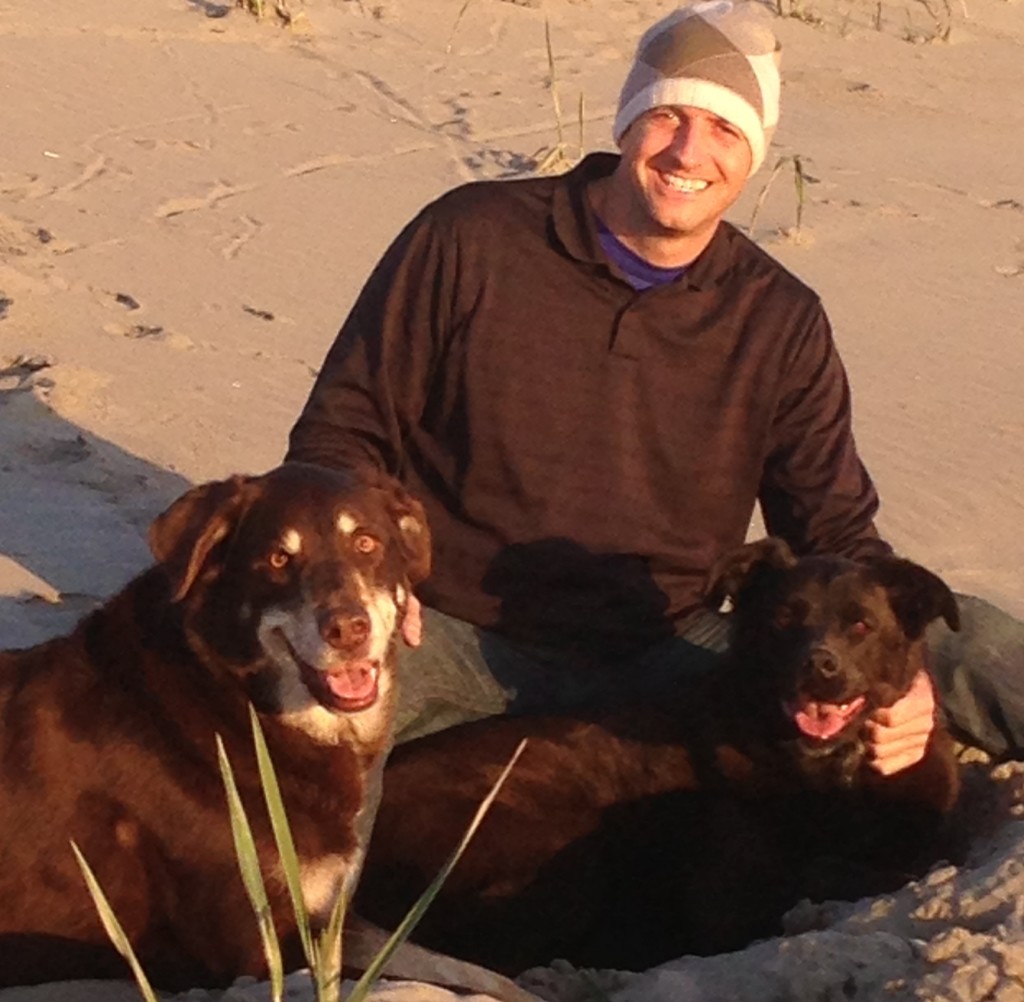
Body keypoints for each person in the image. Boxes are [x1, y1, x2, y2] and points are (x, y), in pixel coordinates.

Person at [286, 0, 1024, 768]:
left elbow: (833, 531)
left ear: (754, 156)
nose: (689, 152)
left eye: (726, 130)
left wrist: (903, 680)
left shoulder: (779, 319)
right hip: (448, 627)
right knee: (297, 702)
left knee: (955, 634)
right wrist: (370, 580)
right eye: (669, 116)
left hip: (670, 643)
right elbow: (340, 435)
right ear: (626, 123)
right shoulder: (472, 238)